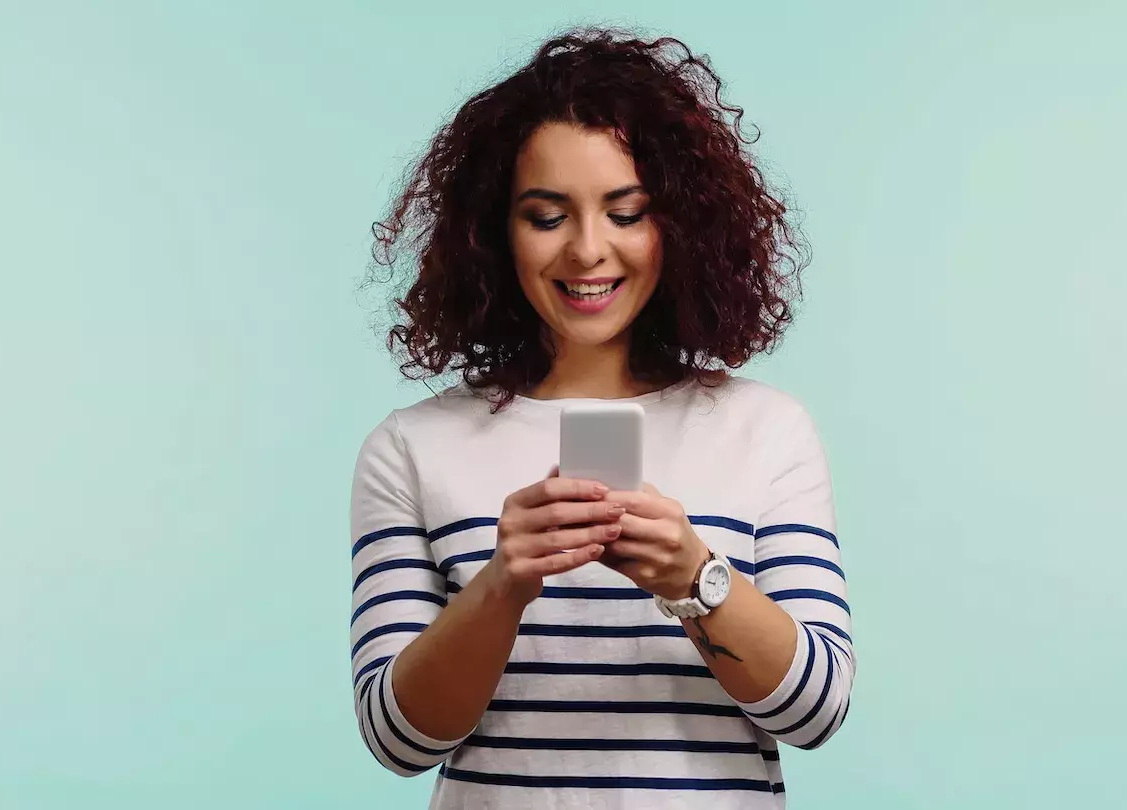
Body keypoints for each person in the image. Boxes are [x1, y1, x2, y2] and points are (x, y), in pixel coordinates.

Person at [351, 28, 854, 809]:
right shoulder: (412, 447)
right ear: (493, 233)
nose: (589, 251)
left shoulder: (765, 429)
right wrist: (502, 586)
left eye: (627, 213)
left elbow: (818, 711)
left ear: (681, 226)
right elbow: (398, 742)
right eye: (547, 216)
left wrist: (696, 576)